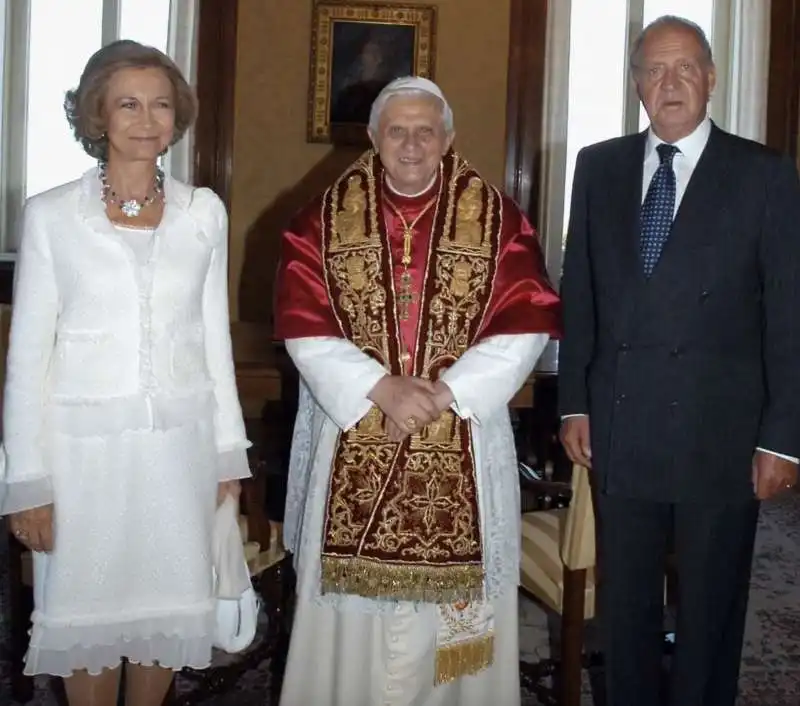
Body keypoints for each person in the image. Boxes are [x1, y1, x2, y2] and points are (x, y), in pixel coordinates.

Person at [274, 76, 561, 706]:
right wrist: (378, 387)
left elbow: (528, 320)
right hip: (354, 426)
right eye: (396, 131)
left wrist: (447, 393)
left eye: (424, 131)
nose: (411, 145)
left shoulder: (497, 220)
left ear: (448, 138)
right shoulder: (320, 220)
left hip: (462, 428)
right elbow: (304, 325)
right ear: (374, 138)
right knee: (350, 633)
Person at [0, 40, 250, 706]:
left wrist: (229, 453)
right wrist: (25, 482)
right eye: (129, 104)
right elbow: (27, 359)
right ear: (97, 117)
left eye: (161, 104)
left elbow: (212, 339)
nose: (147, 120)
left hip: (179, 453)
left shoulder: (205, 214)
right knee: (85, 618)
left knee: (164, 619)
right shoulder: (52, 216)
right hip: (82, 462)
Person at [559, 15, 800, 706]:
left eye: (686, 68)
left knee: (709, 615)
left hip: (721, 437)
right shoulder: (597, 167)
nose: (671, 83)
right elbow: (582, 297)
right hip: (620, 427)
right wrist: (576, 400)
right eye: (655, 69)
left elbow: (789, 317)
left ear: (712, 79)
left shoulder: (764, 175)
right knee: (625, 614)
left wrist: (782, 439)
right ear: (636, 82)